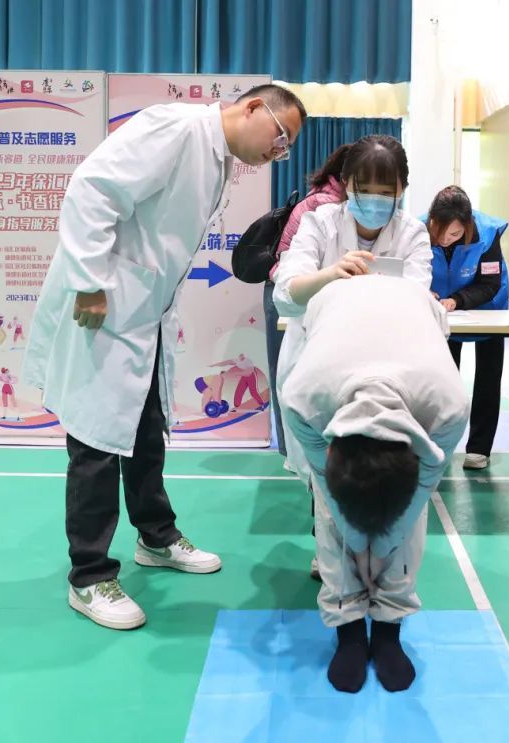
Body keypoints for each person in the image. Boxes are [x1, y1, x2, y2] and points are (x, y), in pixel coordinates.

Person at [24, 83, 307, 630]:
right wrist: (89, 281)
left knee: (146, 427)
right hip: (105, 308)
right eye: (280, 135)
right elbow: (93, 189)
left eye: (286, 146)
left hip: (143, 315)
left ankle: (155, 537)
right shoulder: (176, 128)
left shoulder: (217, 157)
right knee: (96, 442)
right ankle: (89, 576)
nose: (279, 150)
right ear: (253, 107)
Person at [280, 275, 469, 694]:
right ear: (332, 450)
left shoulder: (448, 406)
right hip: (332, 308)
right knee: (332, 511)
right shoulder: (302, 399)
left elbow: (419, 492)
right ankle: (348, 627)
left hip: (415, 308)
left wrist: (381, 546)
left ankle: (388, 629)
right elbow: (329, 489)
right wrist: (357, 538)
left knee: (405, 516)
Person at [272, 134, 433, 478]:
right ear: (345, 183)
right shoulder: (319, 223)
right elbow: (286, 294)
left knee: (378, 475)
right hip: (316, 368)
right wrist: (330, 274)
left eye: (386, 192)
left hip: (386, 371)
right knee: (321, 477)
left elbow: (417, 300)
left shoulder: (413, 233)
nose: (375, 200)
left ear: (402, 189)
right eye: (365, 190)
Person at [264, 145, 349, 455]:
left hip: (294, 293)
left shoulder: (322, 195)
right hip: (288, 293)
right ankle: (295, 453)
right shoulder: (326, 207)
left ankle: (294, 453)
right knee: (293, 381)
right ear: (346, 177)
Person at [425, 185, 509, 470]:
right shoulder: (418, 229)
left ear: (468, 226)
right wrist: (425, 291)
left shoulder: (487, 234)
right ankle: (440, 443)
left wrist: (458, 300)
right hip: (442, 313)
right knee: (443, 380)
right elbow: (413, 272)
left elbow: (490, 283)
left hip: (487, 307)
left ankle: (479, 449)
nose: (445, 240)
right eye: (440, 233)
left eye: (454, 235)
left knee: (488, 378)